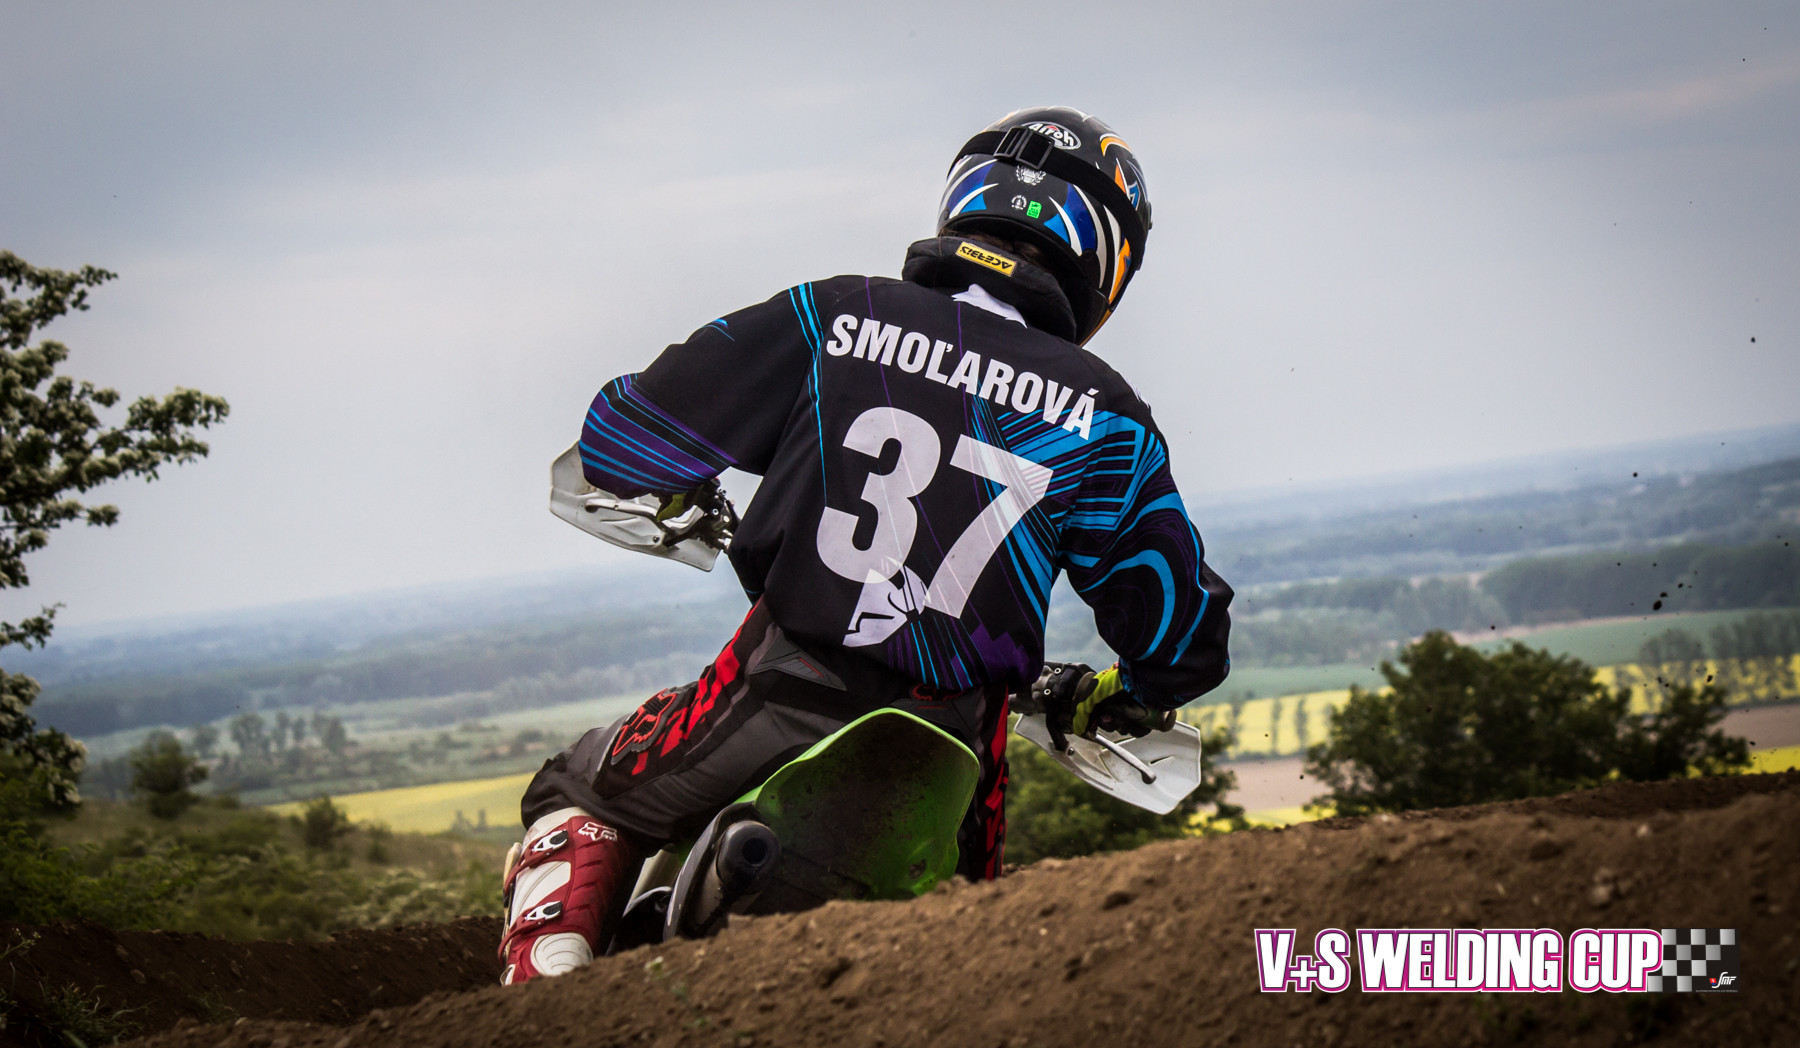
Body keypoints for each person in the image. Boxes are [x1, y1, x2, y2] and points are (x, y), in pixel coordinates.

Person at [499, 106, 1234, 985]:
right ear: (1105, 257)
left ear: (966, 197)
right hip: (956, 747)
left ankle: (548, 993)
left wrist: (692, 490)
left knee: (578, 791)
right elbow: (1182, 637)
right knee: (967, 953)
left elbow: (623, 437)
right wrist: (1121, 694)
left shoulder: (836, 316)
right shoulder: (1109, 417)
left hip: (775, 690)